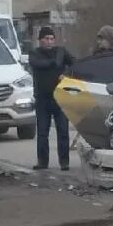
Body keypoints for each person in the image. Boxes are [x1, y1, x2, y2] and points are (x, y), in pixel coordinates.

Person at [27, 27, 74, 170]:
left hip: (59, 98)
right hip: (42, 98)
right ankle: (42, 161)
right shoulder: (35, 53)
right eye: (46, 39)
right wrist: (55, 62)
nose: (49, 41)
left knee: (63, 131)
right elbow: (38, 64)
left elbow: (73, 62)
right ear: (40, 40)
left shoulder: (61, 51)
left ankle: (64, 162)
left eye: (51, 39)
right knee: (42, 132)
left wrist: (66, 73)